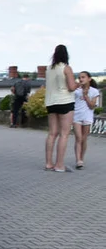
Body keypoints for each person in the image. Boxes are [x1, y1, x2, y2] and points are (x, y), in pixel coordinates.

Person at [44, 44, 77, 172]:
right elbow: (71, 87)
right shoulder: (66, 68)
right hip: (65, 101)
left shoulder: (49, 69)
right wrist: (79, 84)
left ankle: (48, 163)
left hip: (51, 102)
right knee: (64, 134)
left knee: (52, 133)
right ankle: (59, 165)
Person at [73, 71, 100, 169]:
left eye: (83, 77)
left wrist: (86, 96)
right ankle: (78, 160)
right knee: (78, 138)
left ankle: (81, 158)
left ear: (89, 78)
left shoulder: (94, 91)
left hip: (87, 117)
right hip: (76, 116)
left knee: (84, 139)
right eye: (79, 77)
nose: (81, 79)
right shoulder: (76, 90)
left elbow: (92, 106)